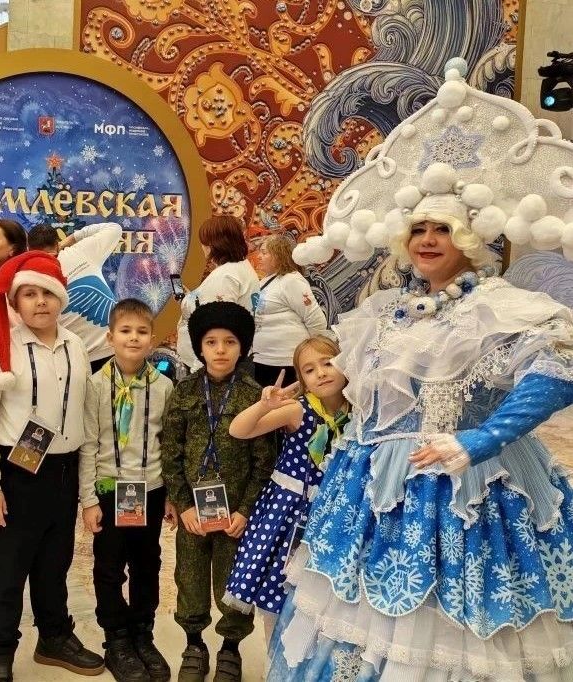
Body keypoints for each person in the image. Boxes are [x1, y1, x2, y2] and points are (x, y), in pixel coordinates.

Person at [272, 62, 573, 679]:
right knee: (357, 628)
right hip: (370, 493)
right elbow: (365, 399)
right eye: (418, 229)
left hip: (465, 492)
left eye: (443, 229)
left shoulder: (497, 305)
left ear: (470, 237)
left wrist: (481, 439)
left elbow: (559, 364)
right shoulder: (382, 310)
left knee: (455, 640)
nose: (428, 239)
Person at [0, 251, 104, 682]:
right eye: (29, 294)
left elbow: (86, 417)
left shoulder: (76, 345)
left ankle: (54, 637)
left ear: (61, 297)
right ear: (15, 302)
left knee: (54, 565)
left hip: (63, 471)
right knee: (7, 571)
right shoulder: (0, 349)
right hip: (18, 473)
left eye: (47, 293)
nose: (40, 302)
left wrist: (87, 492)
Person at [161, 301, 276, 682]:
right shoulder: (184, 391)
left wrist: (246, 510)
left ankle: (230, 649)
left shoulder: (253, 396)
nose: (221, 350)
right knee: (190, 579)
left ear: (242, 347)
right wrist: (182, 503)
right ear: (199, 347)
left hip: (235, 516)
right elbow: (171, 451)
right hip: (193, 513)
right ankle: (194, 645)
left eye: (230, 342)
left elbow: (264, 461)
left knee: (234, 583)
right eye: (211, 342)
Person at [223, 336, 348, 636]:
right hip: (286, 510)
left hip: (331, 510)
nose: (321, 373)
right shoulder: (298, 410)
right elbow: (238, 429)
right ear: (302, 379)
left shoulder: (358, 412)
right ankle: (273, 655)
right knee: (275, 588)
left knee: (316, 595)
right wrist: (263, 406)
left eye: (328, 363)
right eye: (309, 370)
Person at [78, 298, 176, 682]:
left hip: (150, 490)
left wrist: (172, 494)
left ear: (152, 339)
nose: (133, 338)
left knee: (147, 563)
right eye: (125, 331)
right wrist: (89, 499)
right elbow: (88, 444)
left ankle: (142, 633)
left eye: (141, 331)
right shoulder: (95, 385)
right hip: (109, 490)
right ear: (110, 337)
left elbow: (170, 444)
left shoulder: (164, 386)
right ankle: (116, 637)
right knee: (109, 566)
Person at [27, 222, 124, 372]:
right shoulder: (80, 251)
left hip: (78, 358)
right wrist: (70, 239)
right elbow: (114, 228)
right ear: (56, 244)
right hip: (113, 347)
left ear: (28, 249)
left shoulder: (28, 274)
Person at [176, 217, 259, 372]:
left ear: (213, 244)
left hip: (215, 366)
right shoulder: (241, 268)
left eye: (204, 242)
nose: (202, 246)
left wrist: (200, 370)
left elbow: (215, 325)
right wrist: (190, 299)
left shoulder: (224, 276)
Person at [250, 235, 328, 387]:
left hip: (286, 362)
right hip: (264, 360)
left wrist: (313, 354)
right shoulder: (266, 281)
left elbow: (315, 320)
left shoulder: (291, 280)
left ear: (279, 255)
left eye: (264, 252)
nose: (259, 256)